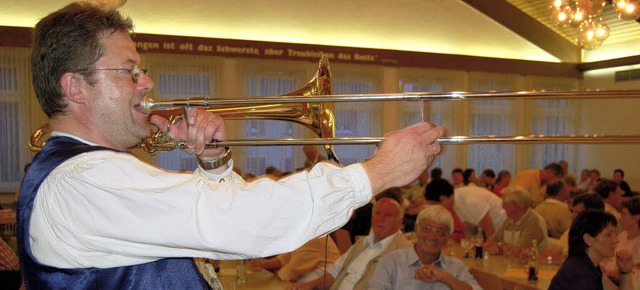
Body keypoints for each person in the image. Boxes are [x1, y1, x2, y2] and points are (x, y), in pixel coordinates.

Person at [18, 3, 445, 289]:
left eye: (143, 70)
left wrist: (214, 164)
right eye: (129, 72)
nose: (147, 83)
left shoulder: (95, 172)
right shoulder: (84, 180)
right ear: (75, 87)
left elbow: (204, 231)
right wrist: (378, 173)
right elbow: (241, 223)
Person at [287, 198, 411, 290]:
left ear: (400, 222)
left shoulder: (404, 254)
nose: (381, 219)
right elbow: (334, 273)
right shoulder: (362, 244)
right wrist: (308, 286)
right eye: (377, 214)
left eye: (388, 215)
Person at [368, 205, 481, 290]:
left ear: (448, 237)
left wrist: (445, 278)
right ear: (416, 229)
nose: (432, 237)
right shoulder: (391, 261)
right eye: (427, 229)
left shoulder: (456, 268)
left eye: (440, 232)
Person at [548, 210, 636, 290]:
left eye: (615, 234)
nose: (616, 240)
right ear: (588, 239)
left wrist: (625, 272)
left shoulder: (589, 266)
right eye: (609, 235)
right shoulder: (580, 275)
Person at [538, 193, 605, 262]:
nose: (572, 216)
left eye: (577, 212)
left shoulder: (600, 236)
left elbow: (579, 260)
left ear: (591, 215)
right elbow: (553, 252)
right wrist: (533, 257)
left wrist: (550, 258)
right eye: (572, 211)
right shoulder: (572, 230)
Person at [484, 186, 548, 256]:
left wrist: (499, 246)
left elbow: (519, 252)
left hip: (531, 265)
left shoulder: (533, 222)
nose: (502, 207)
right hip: (509, 264)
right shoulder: (509, 221)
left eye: (504, 203)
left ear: (513, 206)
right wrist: (499, 247)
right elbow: (489, 243)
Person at [248, 236, 340, 283]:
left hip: (324, 284)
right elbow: (289, 256)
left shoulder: (311, 238)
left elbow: (288, 274)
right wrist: (266, 263)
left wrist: (270, 272)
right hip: (310, 280)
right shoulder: (303, 233)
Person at [601, 197, 640, 285]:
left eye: (624, 215)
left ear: (636, 218)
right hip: (610, 277)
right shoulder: (622, 235)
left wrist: (606, 273)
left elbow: (634, 271)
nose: (620, 218)